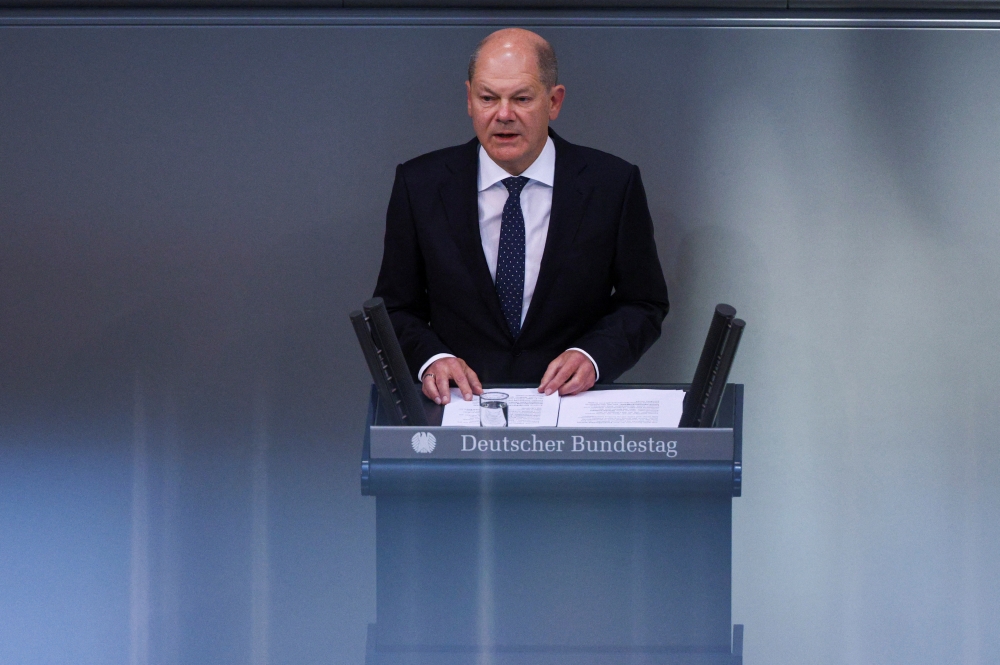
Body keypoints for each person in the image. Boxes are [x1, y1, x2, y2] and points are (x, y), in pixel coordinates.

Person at [373, 28, 669, 405]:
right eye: (487, 98)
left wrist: (594, 357)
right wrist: (433, 359)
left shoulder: (611, 184)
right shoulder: (420, 184)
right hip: (459, 410)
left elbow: (643, 303)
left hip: (568, 413)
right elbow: (395, 308)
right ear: (469, 99)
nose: (503, 114)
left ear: (554, 101)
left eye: (522, 98)